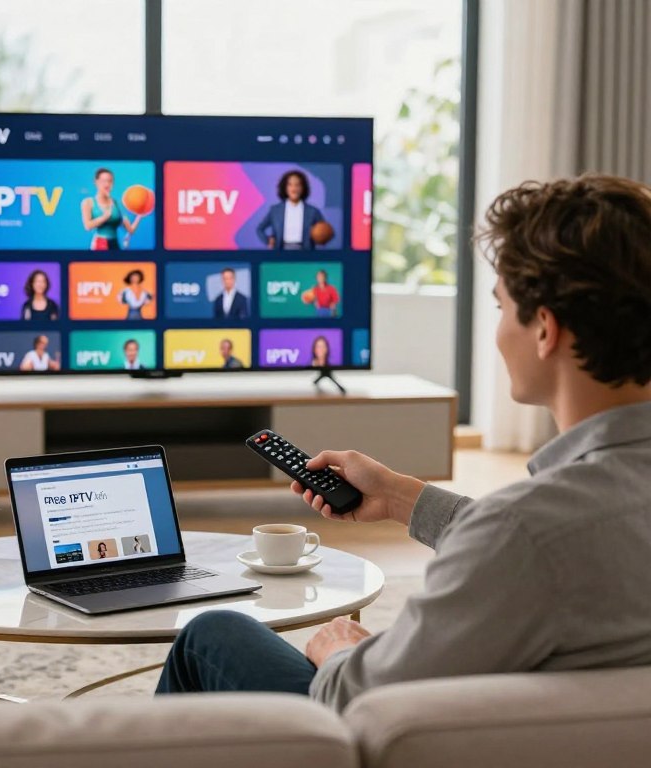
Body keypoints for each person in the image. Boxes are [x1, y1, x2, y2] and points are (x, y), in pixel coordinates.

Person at [155, 174, 651, 712]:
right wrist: (399, 495)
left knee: (211, 633)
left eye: (501, 307)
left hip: (393, 738)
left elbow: (355, 695)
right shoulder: (551, 524)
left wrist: (340, 650)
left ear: (544, 330)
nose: (499, 329)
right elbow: (550, 539)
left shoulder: (525, 533)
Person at [255, 170, 328, 250]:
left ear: (303, 188)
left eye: (297, 185)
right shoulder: (275, 210)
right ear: (285, 188)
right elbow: (259, 229)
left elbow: (326, 232)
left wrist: (318, 237)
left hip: (305, 253)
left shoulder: (313, 211)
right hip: (281, 253)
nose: (294, 188)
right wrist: (268, 240)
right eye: (290, 185)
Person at [80, 168, 146, 250]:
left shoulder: (117, 204)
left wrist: (140, 215)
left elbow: (130, 230)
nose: (107, 184)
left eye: (110, 181)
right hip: (100, 243)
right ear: (96, 182)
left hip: (115, 244)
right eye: (103, 181)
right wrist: (105, 217)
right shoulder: (88, 202)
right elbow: (87, 226)